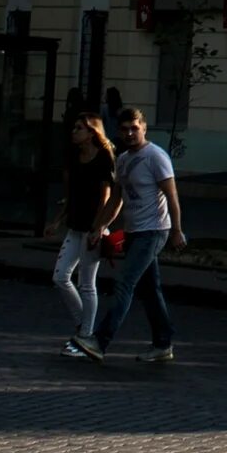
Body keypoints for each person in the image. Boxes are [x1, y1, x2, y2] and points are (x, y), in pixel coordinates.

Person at [84, 107, 181, 364]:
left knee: (125, 283)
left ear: (144, 128)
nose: (129, 133)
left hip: (154, 230)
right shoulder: (124, 160)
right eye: (125, 129)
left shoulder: (156, 157)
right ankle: (163, 343)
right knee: (150, 290)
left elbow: (171, 196)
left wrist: (177, 231)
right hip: (134, 231)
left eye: (134, 128)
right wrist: (99, 227)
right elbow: (116, 198)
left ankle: (99, 341)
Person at [54, 113, 114, 358]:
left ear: (92, 132)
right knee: (59, 276)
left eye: (79, 128)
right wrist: (56, 220)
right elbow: (70, 194)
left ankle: (86, 336)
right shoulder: (74, 159)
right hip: (75, 226)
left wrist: (99, 227)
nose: (74, 132)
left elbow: (106, 197)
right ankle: (83, 328)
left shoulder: (103, 159)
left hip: (92, 229)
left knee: (87, 284)